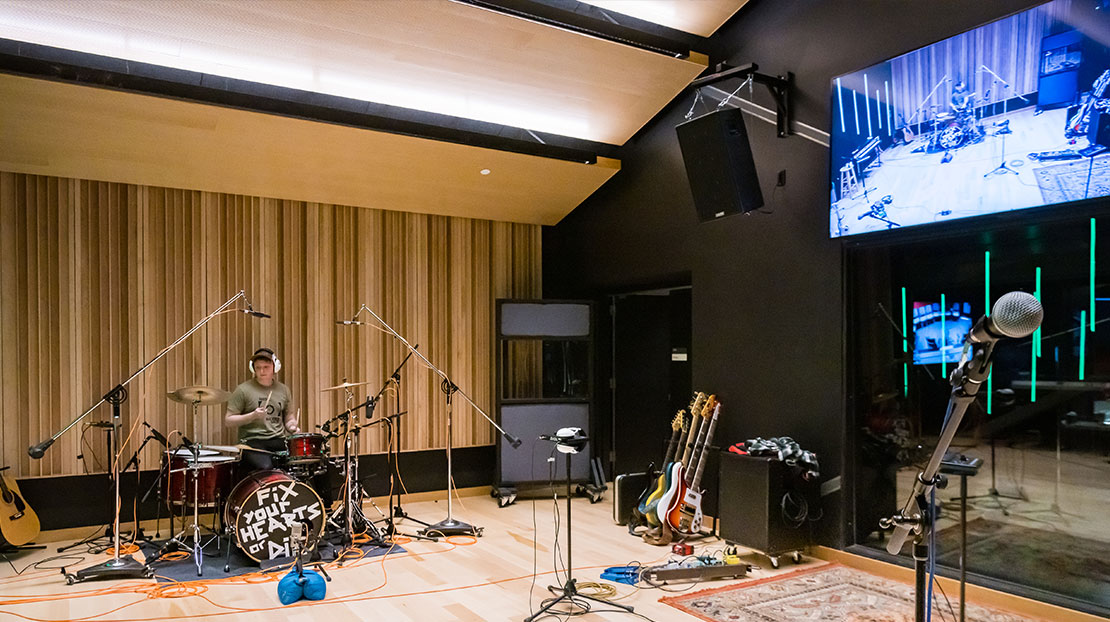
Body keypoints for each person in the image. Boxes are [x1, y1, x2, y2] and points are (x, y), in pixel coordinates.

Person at [226, 348, 298, 471]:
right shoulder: (243, 390)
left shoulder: (283, 390)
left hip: (278, 439)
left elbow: (289, 417)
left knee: (300, 463)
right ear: (252, 368)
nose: (261, 371)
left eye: (266, 367)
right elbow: (229, 420)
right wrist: (252, 416)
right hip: (252, 442)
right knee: (265, 468)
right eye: (258, 367)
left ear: (275, 367)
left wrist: (292, 426)